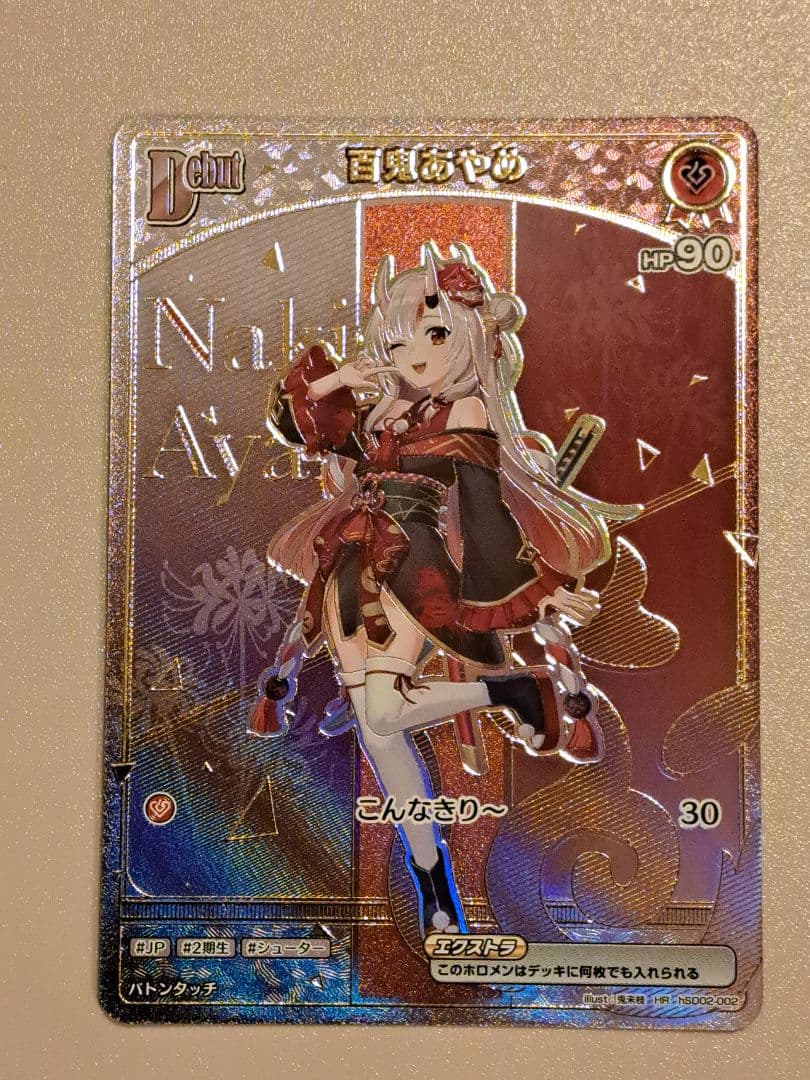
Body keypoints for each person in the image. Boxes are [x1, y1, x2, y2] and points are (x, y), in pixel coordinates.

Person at [248, 241, 627, 938]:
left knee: (384, 712)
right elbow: (294, 425)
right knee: (378, 732)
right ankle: (435, 886)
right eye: (398, 341)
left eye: (435, 335)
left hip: (410, 566)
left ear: (472, 337)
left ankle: (515, 693)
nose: (413, 354)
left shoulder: (466, 413)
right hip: (347, 567)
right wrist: (336, 382)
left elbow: (484, 513)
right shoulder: (384, 413)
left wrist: (536, 592)